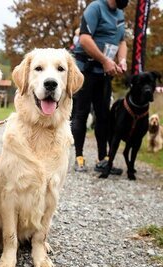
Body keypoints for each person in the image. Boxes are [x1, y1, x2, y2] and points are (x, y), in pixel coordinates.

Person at [72, 0, 128, 173]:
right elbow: (84, 38)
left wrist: (122, 60)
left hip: (104, 73)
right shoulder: (95, 8)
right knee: (81, 113)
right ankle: (79, 157)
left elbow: (122, 41)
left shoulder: (120, 13)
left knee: (103, 115)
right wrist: (104, 60)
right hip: (87, 70)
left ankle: (103, 159)